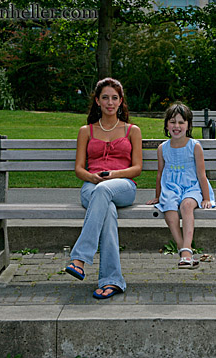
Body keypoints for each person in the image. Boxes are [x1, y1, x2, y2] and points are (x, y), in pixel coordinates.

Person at [65, 78, 143, 299]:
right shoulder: (86, 131)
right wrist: (92, 177)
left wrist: (113, 175)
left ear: (121, 102)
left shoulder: (132, 130)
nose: (110, 102)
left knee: (104, 192)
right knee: (106, 210)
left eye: (115, 98)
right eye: (105, 97)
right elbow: (79, 168)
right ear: (97, 101)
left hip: (123, 186)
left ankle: (79, 258)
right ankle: (112, 281)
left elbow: (137, 168)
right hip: (92, 186)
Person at [146, 103, 215, 269]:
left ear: (188, 125)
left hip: (192, 187)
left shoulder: (194, 146)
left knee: (186, 205)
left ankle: (186, 250)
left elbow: (201, 174)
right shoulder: (163, 148)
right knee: (168, 207)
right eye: (172, 122)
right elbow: (160, 174)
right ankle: (183, 248)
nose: (176, 126)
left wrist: (206, 197)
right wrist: (158, 195)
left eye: (181, 122)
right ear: (166, 125)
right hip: (171, 187)